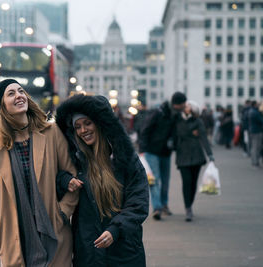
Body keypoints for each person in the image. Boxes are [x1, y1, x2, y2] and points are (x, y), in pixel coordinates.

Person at [0, 79, 79, 267]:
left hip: (54, 233)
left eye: (20, 91)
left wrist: (63, 213)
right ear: (2, 106)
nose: (19, 95)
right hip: (15, 238)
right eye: (11, 93)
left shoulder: (52, 132)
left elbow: (72, 176)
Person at [56, 94, 149, 266]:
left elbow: (139, 203)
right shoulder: (75, 160)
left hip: (124, 249)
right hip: (88, 251)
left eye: (88, 123)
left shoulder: (126, 159)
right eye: (77, 126)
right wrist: (64, 180)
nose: (83, 130)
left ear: (101, 123)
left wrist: (116, 229)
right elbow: (54, 184)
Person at [139, 91, 187, 220]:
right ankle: (157, 208)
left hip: (166, 152)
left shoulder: (176, 115)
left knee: (165, 181)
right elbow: (145, 129)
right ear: (176, 104)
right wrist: (142, 149)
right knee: (155, 180)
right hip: (151, 151)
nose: (184, 106)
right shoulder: (158, 112)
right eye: (182, 104)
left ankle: (164, 205)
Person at [173, 101, 214, 222]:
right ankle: (188, 209)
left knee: (193, 183)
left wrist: (210, 154)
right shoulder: (177, 120)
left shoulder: (197, 121)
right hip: (183, 156)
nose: (186, 107)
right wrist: (190, 133)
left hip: (197, 156)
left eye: (188, 106)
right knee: (186, 182)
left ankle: (189, 204)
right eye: (185, 106)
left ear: (193, 109)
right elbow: (177, 134)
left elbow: (203, 138)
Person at [248, 101, 263, 168]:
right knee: (256, 147)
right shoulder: (255, 112)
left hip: (253, 130)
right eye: (258, 104)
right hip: (257, 131)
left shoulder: (251, 111)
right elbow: (261, 120)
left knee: (254, 147)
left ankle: (254, 161)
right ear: (255, 105)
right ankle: (255, 162)